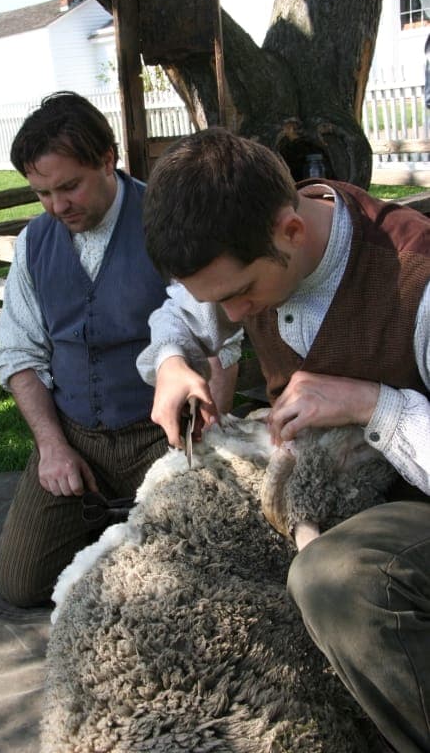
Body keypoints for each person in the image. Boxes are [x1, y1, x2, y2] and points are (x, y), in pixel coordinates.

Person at [137, 127, 430, 753]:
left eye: (241, 294)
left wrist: (369, 402)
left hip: (413, 501)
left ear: (290, 232)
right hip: (332, 494)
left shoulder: (418, 278)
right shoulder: (247, 243)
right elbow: (181, 315)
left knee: (334, 577)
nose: (236, 317)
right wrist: (171, 362)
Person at [0, 93, 240, 608]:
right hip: (74, 438)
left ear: (108, 158)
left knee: (190, 577)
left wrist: (207, 440)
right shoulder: (34, 243)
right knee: (21, 586)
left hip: (163, 435)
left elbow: (222, 342)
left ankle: (125, 527)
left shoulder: (168, 222)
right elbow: (20, 355)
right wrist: (52, 447)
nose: (57, 206)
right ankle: (109, 521)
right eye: (41, 193)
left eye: (69, 186)